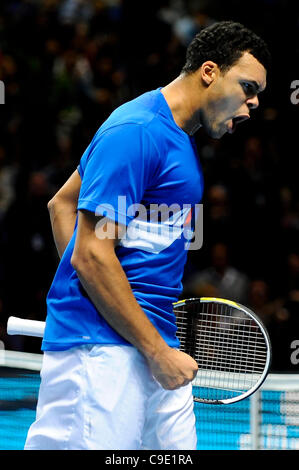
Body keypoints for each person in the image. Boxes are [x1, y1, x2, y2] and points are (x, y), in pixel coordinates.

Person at [25, 21, 270, 450]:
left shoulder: (175, 140)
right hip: (102, 353)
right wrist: (98, 299)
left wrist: (151, 344)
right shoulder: (138, 132)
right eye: (248, 87)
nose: (252, 104)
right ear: (209, 71)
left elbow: (61, 204)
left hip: (152, 344)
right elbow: (91, 255)